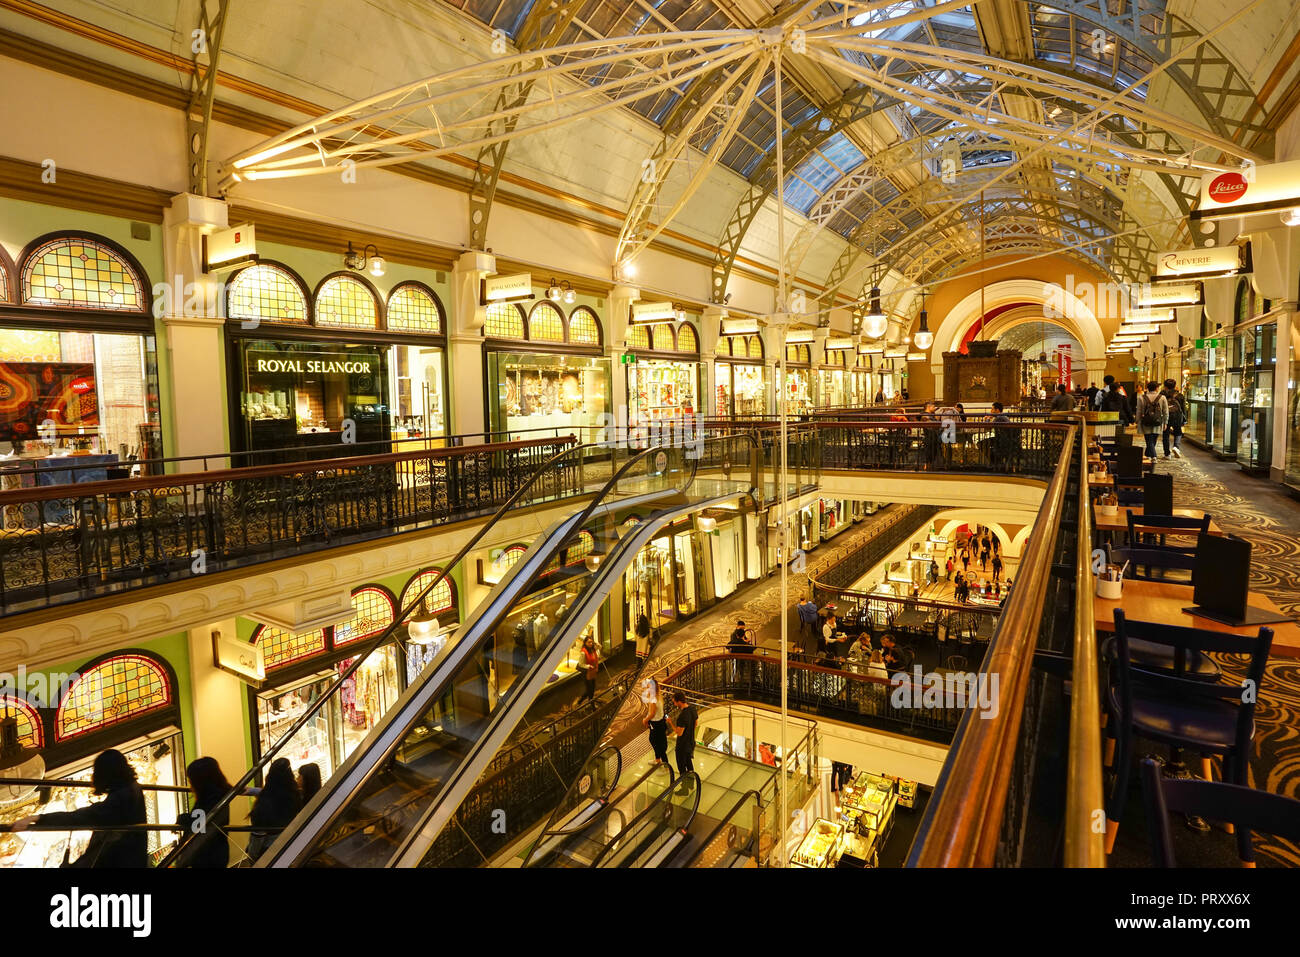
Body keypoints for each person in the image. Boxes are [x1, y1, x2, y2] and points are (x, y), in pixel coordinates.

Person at [12, 748, 147, 868]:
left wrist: (38, 818)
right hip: (132, 858)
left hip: (119, 860)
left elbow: (81, 817)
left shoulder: (119, 799)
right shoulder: (132, 788)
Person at [174, 756, 233, 869]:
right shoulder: (218, 793)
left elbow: (200, 820)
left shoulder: (210, 796)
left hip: (207, 853)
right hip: (215, 852)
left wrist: (182, 818)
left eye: (191, 779)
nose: (190, 783)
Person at [246, 757, 301, 863]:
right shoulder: (295, 795)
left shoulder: (264, 805)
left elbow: (258, 837)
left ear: (269, 776)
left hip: (269, 851)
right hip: (289, 845)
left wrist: (252, 857)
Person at [1135, 380, 1168, 459]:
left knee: (1149, 439)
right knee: (1153, 439)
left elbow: (1139, 411)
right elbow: (1165, 411)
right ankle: (1153, 456)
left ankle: (1149, 455)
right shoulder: (1162, 397)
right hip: (1158, 421)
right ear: (1156, 388)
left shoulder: (1141, 397)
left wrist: (1137, 421)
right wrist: (1165, 422)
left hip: (1145, 421)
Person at [642, 677, 670, 766]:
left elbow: (652, 713)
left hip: (656, 724)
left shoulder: (653, 699)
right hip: (661, 722)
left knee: (655, 742)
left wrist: (645, 720)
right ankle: (658, 760)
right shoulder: (659, 696)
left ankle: (666, 765)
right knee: (660, 742)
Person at [671, 690, 698, 778]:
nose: (674, 704)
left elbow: (679, 733)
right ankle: (692, 779)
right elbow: (696, 723)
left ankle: (684, 783)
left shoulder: (682, 717)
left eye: (674, 702)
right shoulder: (692, 709)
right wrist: (689, 731)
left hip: (682, 746)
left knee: (681, 766)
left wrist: (670, 723)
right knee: (689, 762)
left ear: (679, 701)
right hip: (691, 742)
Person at [1160, 377, 1186, 459]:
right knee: (1178, 432)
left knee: (1165, 434)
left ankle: (1167, 454)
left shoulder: (1162, 395)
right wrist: (1184, 419)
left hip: (1166, 416)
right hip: (1177, 415)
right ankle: (1176, 447)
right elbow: (1183, 408)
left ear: (1165, 386)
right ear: (1175, 386)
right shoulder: (1179, 395)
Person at [577, 634, 599, 704]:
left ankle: (581, 700)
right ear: (585, 643)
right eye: (589, 642)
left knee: (592, 688)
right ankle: (591, 702)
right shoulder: (583, 652)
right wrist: (588, 666)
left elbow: (599, 649)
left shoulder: (592, 649)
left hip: (592, 671)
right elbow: (581, 664)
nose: (591, 644)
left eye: (592, 642)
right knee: (590, 689)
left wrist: (596, 644)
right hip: (586, 672)